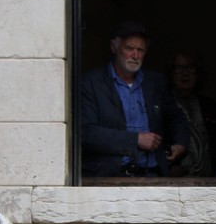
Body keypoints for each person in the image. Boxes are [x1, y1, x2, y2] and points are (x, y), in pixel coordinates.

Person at [79, 22, 190, 177]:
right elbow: (86, 133)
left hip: (152, 175)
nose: (135, 55)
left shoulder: (155, 82)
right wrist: (135, 140)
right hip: (107, 178)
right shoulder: (91, 83)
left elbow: (177, 118)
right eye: (129, 48)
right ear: (114, 47)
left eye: (140, 50)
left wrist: (180, 144)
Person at [166, 50, 216, 178]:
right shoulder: (161, 104)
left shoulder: (210, 106)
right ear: (171, 72)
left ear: (198, 72)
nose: (185, 73)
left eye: (190, 67)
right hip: (173, 182)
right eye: (179, 68)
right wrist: (168, 167)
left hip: (208, 182)